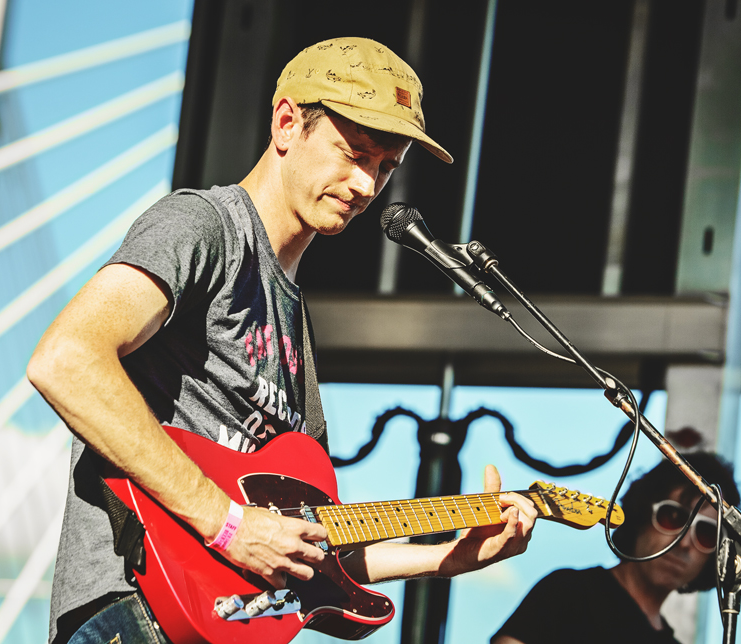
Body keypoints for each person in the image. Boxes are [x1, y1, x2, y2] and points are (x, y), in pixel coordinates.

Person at [27, 37, 538, 644]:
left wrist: (447, 558)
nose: (366, 184)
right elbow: (65, 360)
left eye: (385, 167)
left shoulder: (294, 322)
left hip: (221, 623)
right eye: (354, 153)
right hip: (134, 611)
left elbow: (313, 543)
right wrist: (228, 524)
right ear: (287, 123)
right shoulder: (204, 226)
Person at [491, 453, 741, 644]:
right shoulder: (568, 592)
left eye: (706, 534)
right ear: (643, 511)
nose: (685, 542)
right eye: (673, 517)